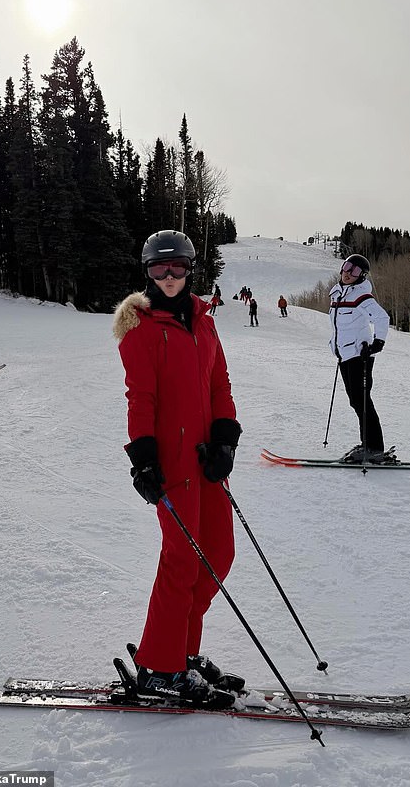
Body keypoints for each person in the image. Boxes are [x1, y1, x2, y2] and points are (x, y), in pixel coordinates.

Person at [113, 229, 242, 706]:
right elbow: (140, 399)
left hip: (207, 463)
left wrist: (225, 441)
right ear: (147, 272)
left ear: (190, 269)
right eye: (158, 269)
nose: (169, 277)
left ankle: (182, 652)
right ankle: (160, 668)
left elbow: (220, 384)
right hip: (170, 466)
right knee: (182, 561)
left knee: (219, 554)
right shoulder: (140, 329)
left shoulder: (204, 322)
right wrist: (144, 460)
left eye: (177, 268)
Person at [329, 254, 390, 463]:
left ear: (361, 276)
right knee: (356, 401)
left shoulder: (362, 297)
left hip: (360, 355)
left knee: (362, 401)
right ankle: (367, 443)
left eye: (353, 271)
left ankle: (374, 447)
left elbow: (382, 318)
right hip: (344, 355)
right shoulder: (337, 294)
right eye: (346, 267)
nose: (347, 273)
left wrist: (377, 343)